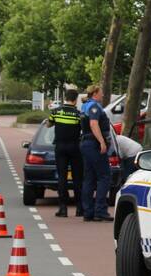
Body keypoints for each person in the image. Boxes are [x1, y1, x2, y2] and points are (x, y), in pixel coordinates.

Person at [46, 89, 84, 217]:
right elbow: (83, 128)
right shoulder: (78, 114)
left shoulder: (55, 112)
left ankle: (63, 208)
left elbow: (48, 125)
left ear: (65, 98)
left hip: (60, 147)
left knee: (62, 178)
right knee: (77, 177)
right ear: (75, 99)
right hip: (75, 147)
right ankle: (80, 208)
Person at [79, 84, 113, 222]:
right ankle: (100, 210)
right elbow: (94, 124)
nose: (103, 95)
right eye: (101, 93)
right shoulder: (94, 107)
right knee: (104, 176)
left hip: (86, 144)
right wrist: (102, 142)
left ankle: (88, 212)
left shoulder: (85, 105)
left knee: (89, 178)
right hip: (93, 144)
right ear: (95, 94)